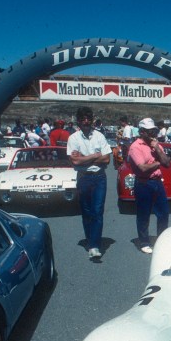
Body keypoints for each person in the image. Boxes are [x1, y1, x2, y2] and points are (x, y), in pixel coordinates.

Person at [67, 106, 112, 259]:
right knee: (86, 212)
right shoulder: (73, 138)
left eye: (88, 119)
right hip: (83, 178)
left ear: (92, 120)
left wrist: (83, 157)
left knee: (98, 211)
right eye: (83, 119)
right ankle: (89, 240)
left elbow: (107, 159)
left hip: (99, 177)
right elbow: (74, 162)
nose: (86, 122)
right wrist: (95, 156)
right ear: (78, 121)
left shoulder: (99, 136)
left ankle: (95, 246)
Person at [127, 117, 171, 254]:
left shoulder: (157, 145)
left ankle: (161, 240)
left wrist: (157, 148)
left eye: (153, 131)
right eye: (148, 131)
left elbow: (167, 163)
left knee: (163, 213)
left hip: (157, 182)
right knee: (143, 214)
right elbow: (142, 169)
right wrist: (158, 163)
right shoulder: (135, 147)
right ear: (141, 132)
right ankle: (144, 241)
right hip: (143, 182)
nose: (152, 133)